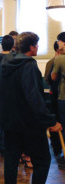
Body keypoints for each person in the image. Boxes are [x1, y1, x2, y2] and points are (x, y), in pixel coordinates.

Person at [0, 31, 62, 184]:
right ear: (31, 47)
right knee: (43, 160)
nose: (38, 47)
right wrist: (50, 121)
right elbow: (33, 97)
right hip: (29, 124)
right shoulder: (29, 65)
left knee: (11, 160)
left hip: (10, 122)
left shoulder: (6, 61)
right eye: (37, 45)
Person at [44, 41, 62, 157]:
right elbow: (48, 78)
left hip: (56, 95)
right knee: (56, 120)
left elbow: (46, 78)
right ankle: (57, 148)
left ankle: (57, 148)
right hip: (56, 96)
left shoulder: (51, 62)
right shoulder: (52, 62)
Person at [51, 32, 65, 169]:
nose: (58, 44)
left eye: (59, 41)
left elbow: (53, 77)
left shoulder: (60, 59)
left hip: (63, 98)